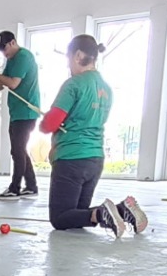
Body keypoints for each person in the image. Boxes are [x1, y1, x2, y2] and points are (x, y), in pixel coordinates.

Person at [39, 35, 146, 237]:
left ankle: (106, 212)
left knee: (60, 218)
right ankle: (123, 211)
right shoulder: (105, 88)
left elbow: (50, 124)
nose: (68, 65)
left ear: (78, 55)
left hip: (71, 158)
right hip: (95, 159)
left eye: (69, 59)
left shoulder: (74, 84)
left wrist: (44, 122)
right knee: (77, 216)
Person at [0, 30, 42, 200]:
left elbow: (13, 83)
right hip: (16, 112)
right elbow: (0, 85)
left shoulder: (23, 57)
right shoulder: (11, 60)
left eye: (4, 48)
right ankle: (31, 186)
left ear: (12, 42)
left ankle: (15, 188)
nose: (3, 53)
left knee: (17, 150)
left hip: (27, 112)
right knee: (19, 150)